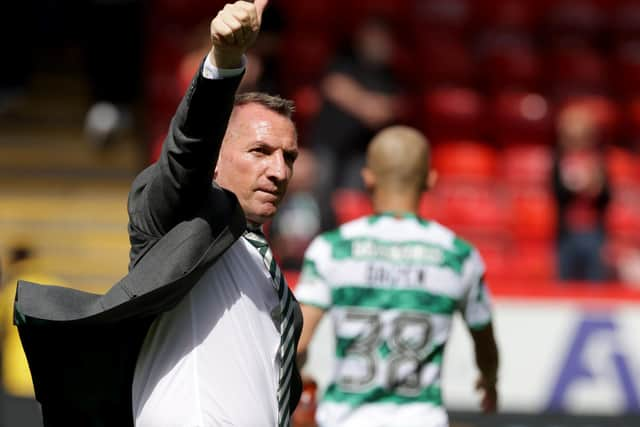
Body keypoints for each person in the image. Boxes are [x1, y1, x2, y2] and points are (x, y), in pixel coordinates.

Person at [13, 1, 303, 426]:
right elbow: (188, 149)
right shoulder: (181, 222)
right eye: (260, 151)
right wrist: (223, 64)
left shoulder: (267, 275)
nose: (278, 170)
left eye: (288, 157)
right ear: (216, 161)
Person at [295, 126, 500, 427]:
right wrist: (489, 380)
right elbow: (484, 341)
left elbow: (298, 342)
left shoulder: (333, 248)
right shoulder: (458, 255)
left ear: (368, 177)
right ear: (430, 179)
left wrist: (299, 377)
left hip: (343, 419)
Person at [552, 105, 611, 282]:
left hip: (593, 234)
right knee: (565, 284)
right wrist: (571, 186)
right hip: (568, 234)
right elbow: (557, 193)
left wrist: (596, 186)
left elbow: (607, 197)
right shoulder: (559, 160)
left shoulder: (597, 161)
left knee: (594, 283)